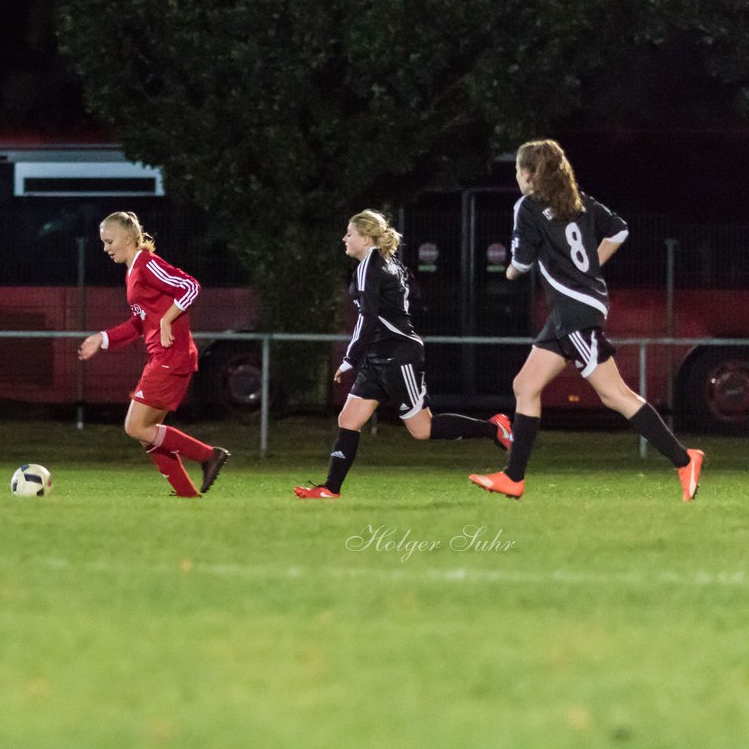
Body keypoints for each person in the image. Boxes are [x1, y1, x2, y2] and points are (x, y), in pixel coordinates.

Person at [469, 139, 704, 501]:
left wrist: (511, 273)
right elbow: (620, 229)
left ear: (530, 174)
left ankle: (684, 458)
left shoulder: (528, 206)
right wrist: (591, 266)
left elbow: (522, 263)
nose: (517, 176)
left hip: (574, 311)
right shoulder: (577, 201)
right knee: (525, 385)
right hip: (577, 307)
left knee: (614, 395)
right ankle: (513, 477)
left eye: (518, 169)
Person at [295, 210, 512, 500]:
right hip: (379, 355)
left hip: (398, 356)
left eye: (350, 233)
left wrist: (350, 358)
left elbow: (368, 318)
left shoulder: (370, 268)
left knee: (422, 429)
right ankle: (330, 489)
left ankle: (492, 428)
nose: (344, 238)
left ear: (367, 238)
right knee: (348, 419)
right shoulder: (387, 264)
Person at [77, 211, 229, 496]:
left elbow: (190, 286)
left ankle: (208, 455)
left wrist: (166, 319)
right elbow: (138, 322)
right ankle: (185, 492)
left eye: (109, 241)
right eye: (103, 242)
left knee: (135, 426)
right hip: (164, 357)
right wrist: (103, 338)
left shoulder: (146, 264)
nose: (105, 248)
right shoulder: (132, 271)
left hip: (170, 357)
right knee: (148, 430)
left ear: (129, 237)